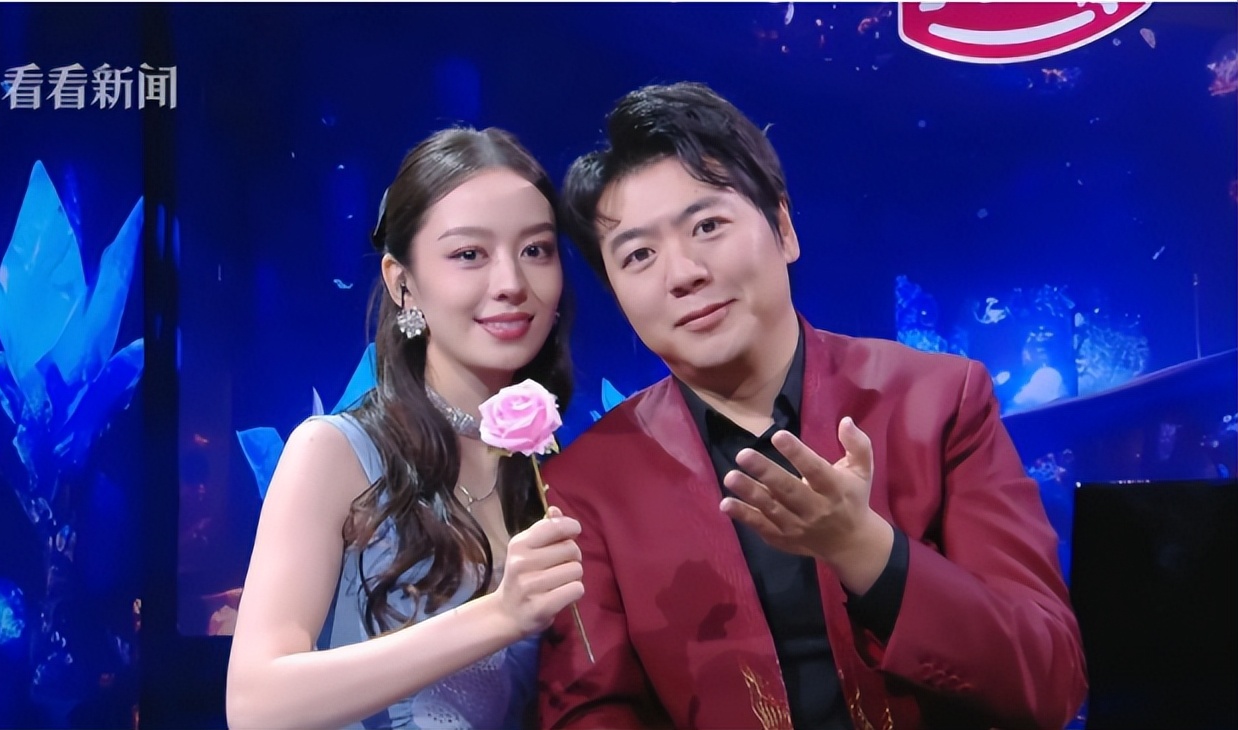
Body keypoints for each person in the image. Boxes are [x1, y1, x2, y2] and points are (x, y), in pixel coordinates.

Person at [537, 82, 1087, 730]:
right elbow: (590, 712)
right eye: (639, 255)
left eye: (707, 226)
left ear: (784, 227)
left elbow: (1048, 679)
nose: (682, 273)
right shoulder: (588, 483)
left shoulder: (939, 400)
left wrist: (864, 548)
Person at [226, 127, 586, 729]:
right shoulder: (334, 452)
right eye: (469, 254)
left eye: (536, 250)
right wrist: (499, 615)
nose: (511, 283)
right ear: (402, 282)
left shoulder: (557, 474)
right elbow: (256, 704)